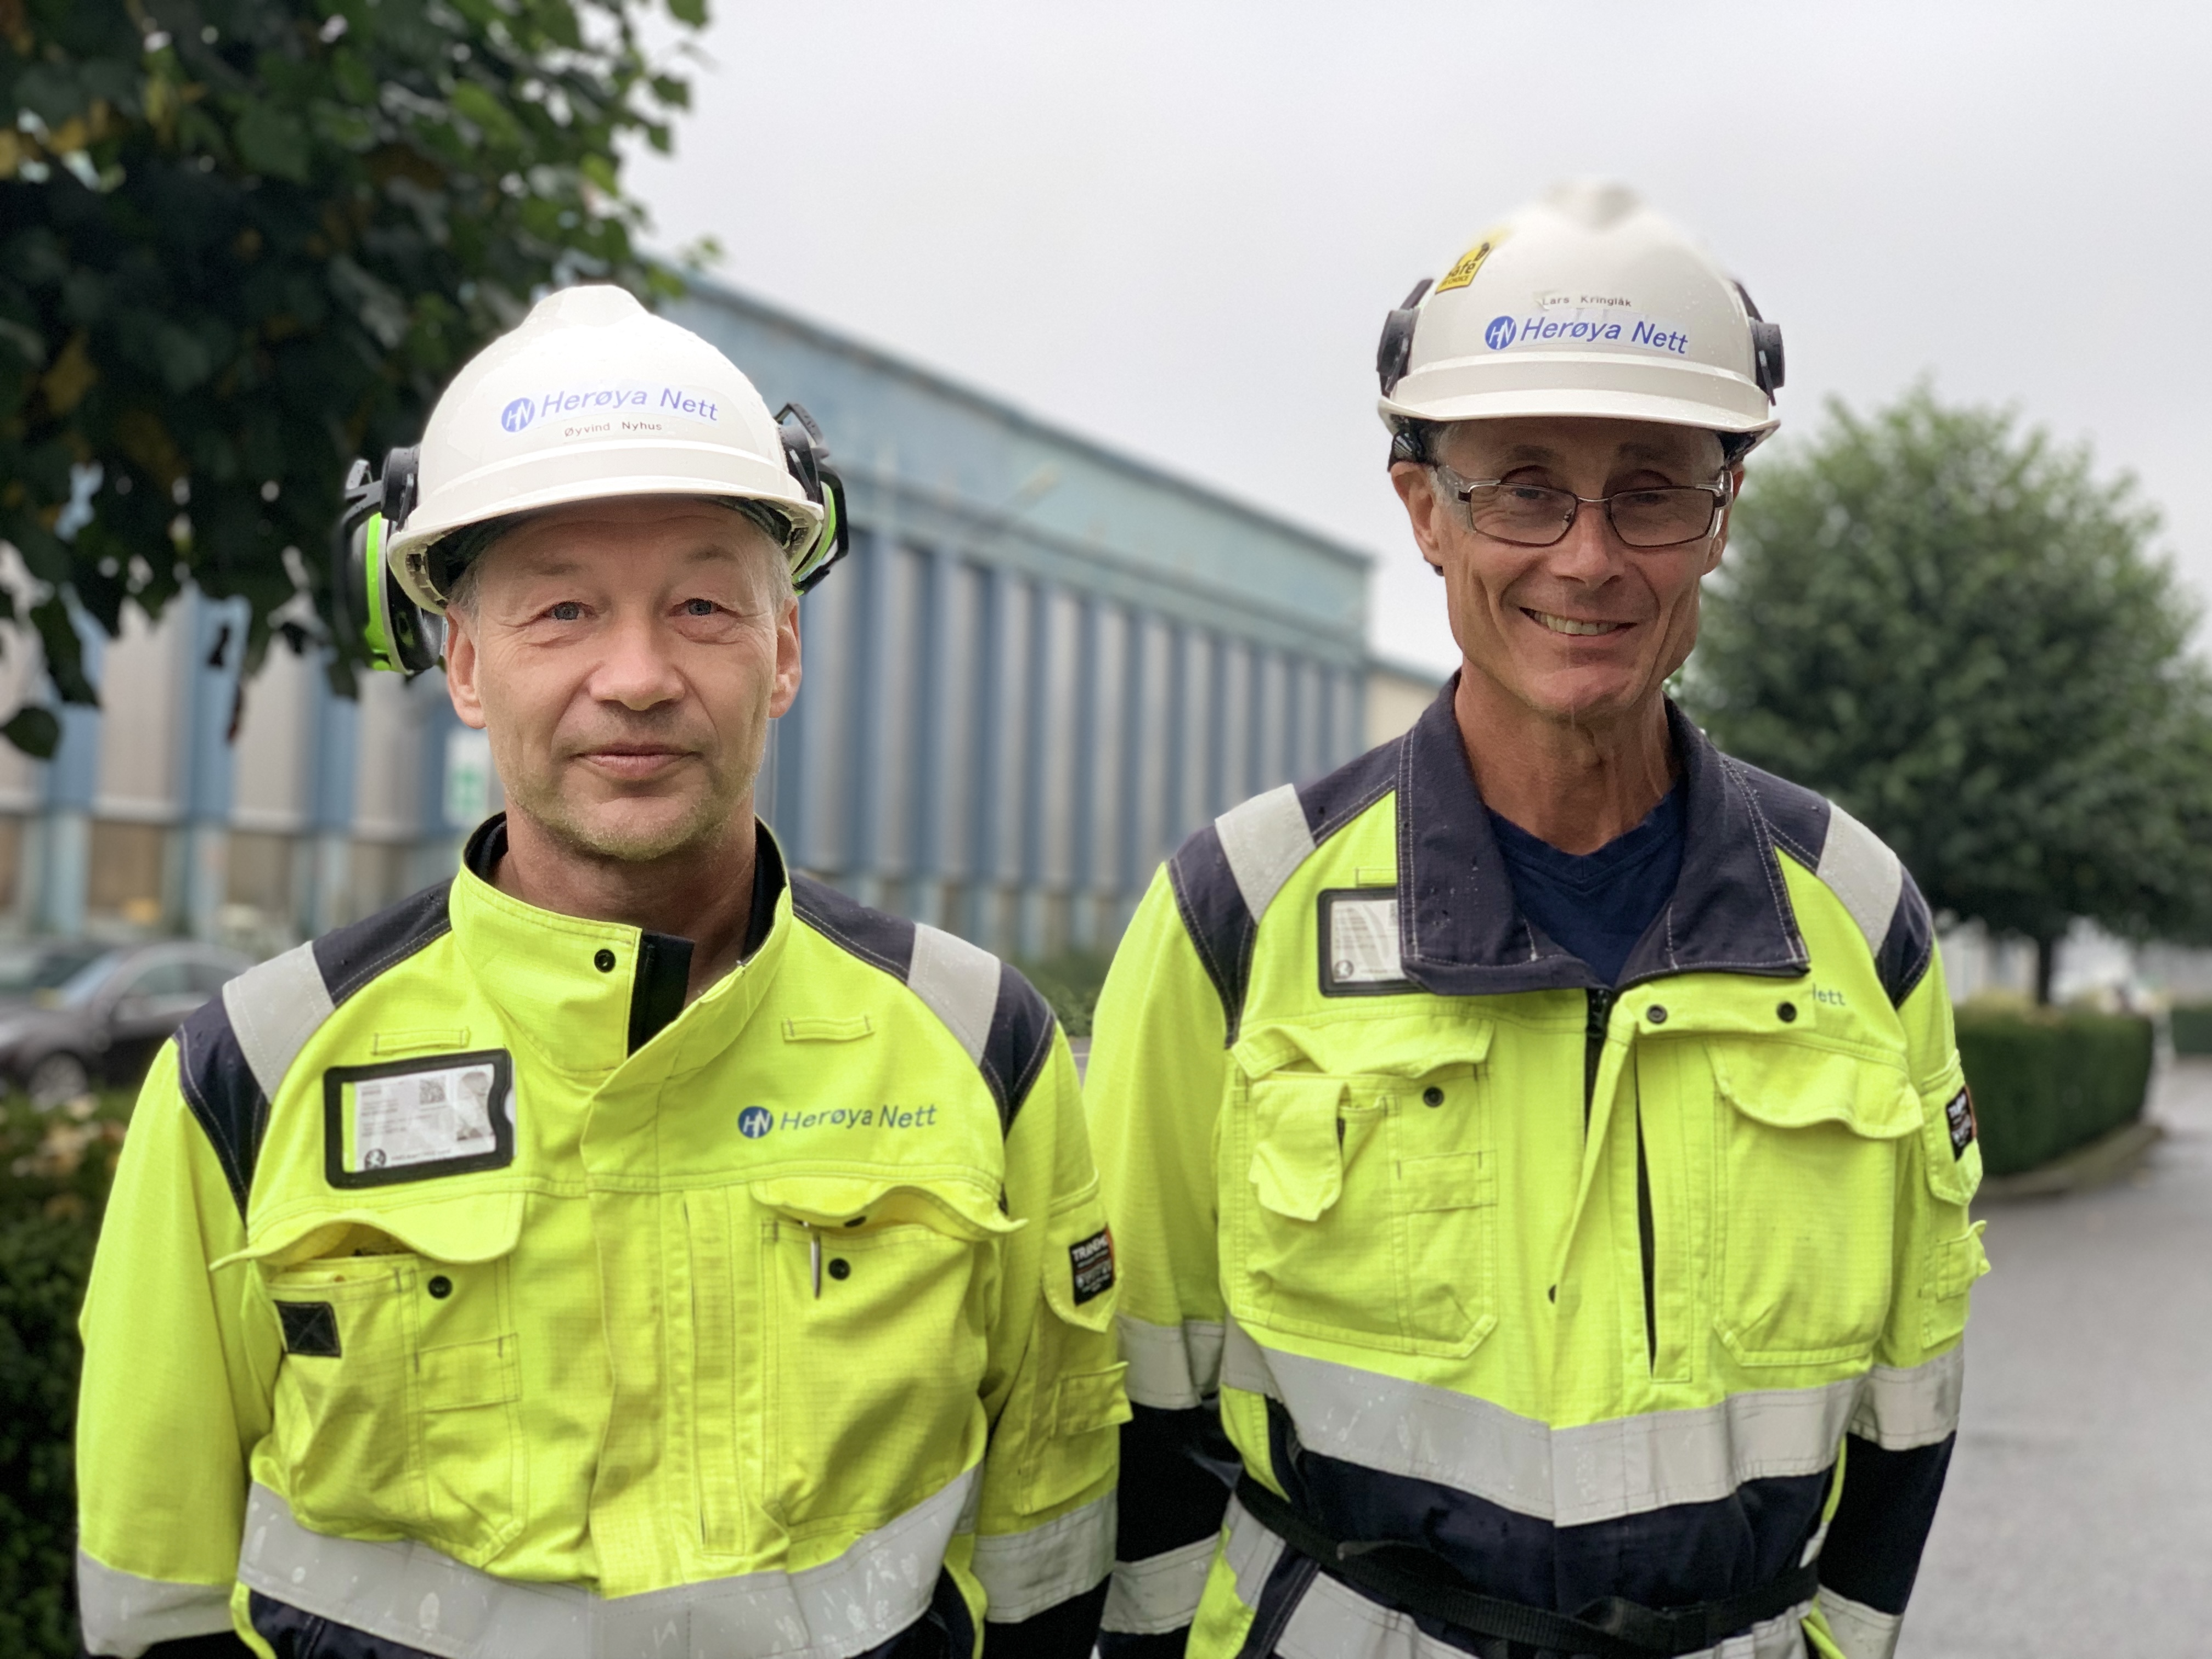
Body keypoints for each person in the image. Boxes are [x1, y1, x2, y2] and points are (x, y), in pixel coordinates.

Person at [75, 285, 1125, 1659]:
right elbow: (155, 1595)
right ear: (460, 661)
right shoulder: (256, 1074)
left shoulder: (982, 1047)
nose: (636, 677)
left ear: (783, 651)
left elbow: (1052, 1546)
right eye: (562, 611)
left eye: (701, 604)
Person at [1087, 182, 1985, 1659]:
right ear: (1423, 510)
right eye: (1522, 488)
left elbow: (1917, 1391)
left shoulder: (1860, 921)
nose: (1586, 558)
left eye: (1650, 489)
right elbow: (1126, 1392)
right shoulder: (1239, 912)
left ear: (1723, 513)